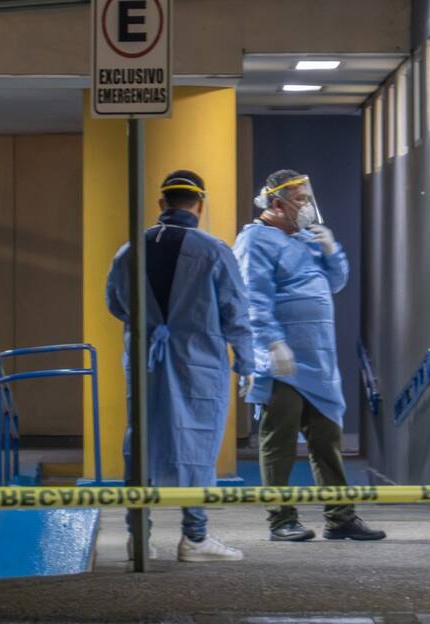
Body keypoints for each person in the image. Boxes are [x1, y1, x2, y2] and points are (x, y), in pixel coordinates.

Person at [106, 170, 254, 562]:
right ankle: (195, 537)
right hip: (199, 362)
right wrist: (247, 361)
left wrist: (150, 324)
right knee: (197, 445)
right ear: (199, 206)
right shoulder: (213, 251)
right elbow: (235, 312)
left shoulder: (129, 251)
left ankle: (139, 536)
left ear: (161, 204)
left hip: (146, 362)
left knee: (141, 443)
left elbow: (115, 304)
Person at [234, 169, 386, 542]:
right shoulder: (256, 240)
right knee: (279, 443)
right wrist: (272, 343)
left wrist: (333, 251)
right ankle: (281, 519)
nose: (307, 206)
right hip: (283, 362)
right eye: (300, 200)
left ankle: (340, 517)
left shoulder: (306, 239)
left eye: (306, 198)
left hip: (318, 360)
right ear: (276, 203)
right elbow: (252, 297)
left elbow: (336, 283)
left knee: (327, 442)